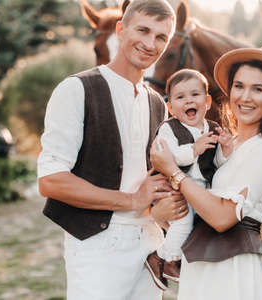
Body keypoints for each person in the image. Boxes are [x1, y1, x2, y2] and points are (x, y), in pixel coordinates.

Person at [37, 1, 188, 299]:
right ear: (120, 30)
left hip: (150, 245)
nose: (150, 43)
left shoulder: (157, 103)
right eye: (143, 30)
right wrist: (133, 199)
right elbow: (51, 181)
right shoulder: (76, 89)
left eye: (161, 37)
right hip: (95, 246)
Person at [150, 44, 262, 299]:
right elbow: (196, 206)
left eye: (258, 89)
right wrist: (160, 211)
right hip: (203, 260)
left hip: (233, 268)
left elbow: (222, 218)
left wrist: (174, 172)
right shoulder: (227, 146)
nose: (245, 97)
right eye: (239, 86)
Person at [144, 69, 233, 290]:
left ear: (208, 101)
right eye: (180, 97)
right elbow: (166, 158)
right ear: (170, 106)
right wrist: (193, 149)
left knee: (206, 222)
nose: (188, 101)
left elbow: (217, 165)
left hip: (201, 190)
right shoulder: (168, 129)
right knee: (183, 220)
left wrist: (226, 151)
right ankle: (164, 258)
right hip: (172, 188)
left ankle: (183, 260)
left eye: (195, 95)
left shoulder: (212, 128)